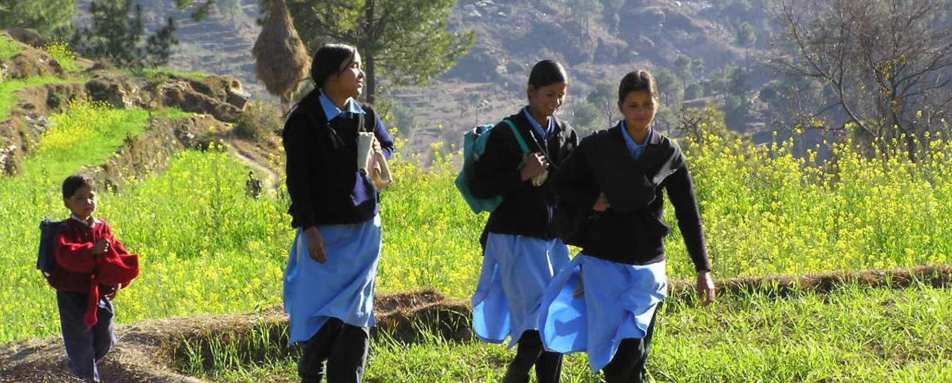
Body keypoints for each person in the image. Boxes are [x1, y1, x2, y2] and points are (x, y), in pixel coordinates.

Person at [540, 69, 716, 382]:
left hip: (648, 262)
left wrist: (703, 269)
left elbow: (688, 212)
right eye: (633, 105)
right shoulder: (598, 146)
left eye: (647, 104)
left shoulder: (667, 153)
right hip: (603, 260)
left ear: (657, 104)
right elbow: (560, 184)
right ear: (621, 107)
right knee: (614, 353)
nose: (641, 112)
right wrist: (591, 199)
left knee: (634, 346)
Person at [281, 43, 395, 383]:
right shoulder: (305, 120)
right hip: (325, 235)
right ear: (332, 76)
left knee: (357, 314)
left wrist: (378, 150)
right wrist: (310, 229)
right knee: (323, 313)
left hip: (363, 230)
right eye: (354, 67)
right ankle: (312, 367)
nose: (360, 74)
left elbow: (387, 145)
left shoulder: (365, 114)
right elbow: (297, 181)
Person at [469, 59, 579, 383]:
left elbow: (574, 186)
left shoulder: (566, 135)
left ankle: (528, 375)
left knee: (554, 318)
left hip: (552, 241)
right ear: (530, 92)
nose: (556, 102)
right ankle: (517, 373)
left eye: (561, 95)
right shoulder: (507, 133)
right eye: (549, 95)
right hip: (515, 240)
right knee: (536, 320)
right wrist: (521, 174)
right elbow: (481, 185)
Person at [49, 175, 139, 383]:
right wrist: (92, 250)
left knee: (105, 336)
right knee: (80, 341)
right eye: (80, 198)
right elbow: (66, 255)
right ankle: (86, 377)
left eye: (91, 196)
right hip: (72, 294)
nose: (87, 202)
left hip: (99, 293)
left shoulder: (102, 228)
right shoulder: (65, 229)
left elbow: (116, 253)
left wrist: (118, 277)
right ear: (67, 203)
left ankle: (86, 368)